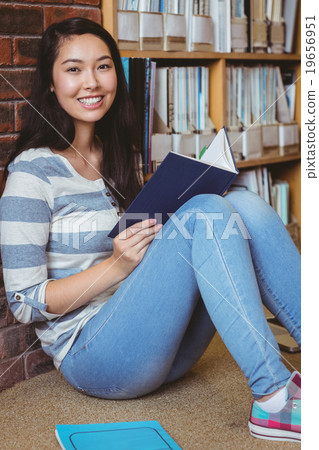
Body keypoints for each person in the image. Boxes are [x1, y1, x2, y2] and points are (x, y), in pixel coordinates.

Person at [0, 17, 301, 443]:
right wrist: (117, 266)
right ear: (50, 82)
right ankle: (273, 400)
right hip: (94, 356)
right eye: (73, 69)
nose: (92, 82)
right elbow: (24, 303)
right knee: (205, 214)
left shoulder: (120, 153)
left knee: (242, 204)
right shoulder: (31, 175)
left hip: (159, 339)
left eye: (103, 67)